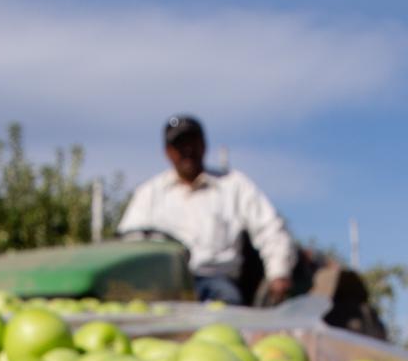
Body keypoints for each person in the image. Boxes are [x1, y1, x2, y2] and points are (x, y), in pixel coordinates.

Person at [115, 115, 297, 306]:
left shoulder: (234, 185)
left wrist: (279, 273)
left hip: (215, 281)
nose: (187, 150)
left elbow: (270, 228)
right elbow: (128, 243)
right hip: (162, 287)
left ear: (203, 145)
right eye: (179, 145)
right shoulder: (149, 193)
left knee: (227, 303)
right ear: (168, 152)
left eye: (192, 142)